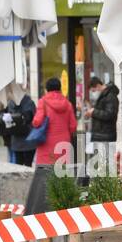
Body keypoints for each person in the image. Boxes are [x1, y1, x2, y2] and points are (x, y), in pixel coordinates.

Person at [26, 77, 78, 214]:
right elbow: (73, 126)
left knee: (44, 177)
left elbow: (37, 122)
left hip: (47, 146)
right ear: (59, 88)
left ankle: (43, 209)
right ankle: (62, 208)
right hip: (63, 146)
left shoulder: (43, 102)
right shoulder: (67, 104)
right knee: (62, 176)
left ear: (47, 89)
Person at [0, 94, 38, 165]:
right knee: (27, 165)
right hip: (28, 139)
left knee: (18, 164)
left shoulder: (11, 103)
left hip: (16, 138)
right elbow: (31, 118)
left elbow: (3, 116)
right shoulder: (30, 103)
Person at [87, 76, 120, 145]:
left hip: (105, 135)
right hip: (101, 135)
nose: (93, 93)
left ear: (98, 86)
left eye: (93, 90)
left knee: (106, 155)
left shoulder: (110, 96)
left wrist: (94, 112)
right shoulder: (104, 95)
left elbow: (109, 114)